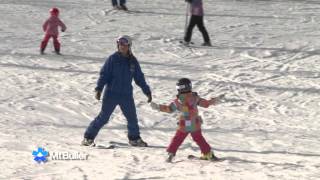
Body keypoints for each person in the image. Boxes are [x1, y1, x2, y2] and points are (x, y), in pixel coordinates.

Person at [82, 35, 152, 147]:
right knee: (103, 117)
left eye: (124, 44)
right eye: (120, 44)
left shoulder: (133, 62)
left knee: (132, 118)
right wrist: (99, 89)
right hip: (111, 93)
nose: (122, 46)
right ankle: (88, 137)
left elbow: (139, 77)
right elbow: (104, 74)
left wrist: (147, 91)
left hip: (126, 95)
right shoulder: (113, 59)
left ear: (129, 46)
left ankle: (134, 139)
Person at [150, 78, 224, 162]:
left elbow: (169, 109)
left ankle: (171, 154)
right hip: (194, 124)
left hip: (184, 125)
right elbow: (206, 104)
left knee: (177, 139)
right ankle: (209, 154)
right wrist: (215, 100)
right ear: (189, 86)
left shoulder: (177, 101)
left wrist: (158, 107)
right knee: (199, 139)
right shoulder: (195, 98)